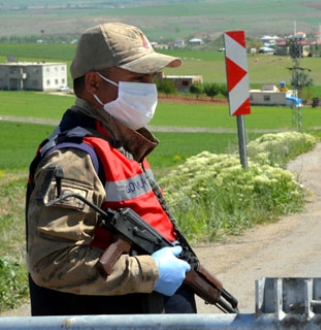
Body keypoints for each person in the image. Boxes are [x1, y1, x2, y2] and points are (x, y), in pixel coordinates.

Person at [25, 22, 195, 315]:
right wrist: (151, 271)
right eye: (138, 78)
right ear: (94, 83)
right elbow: (52, 264)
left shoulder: (118, 142)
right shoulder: (72, 160)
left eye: (152, 78)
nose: (149, 89)